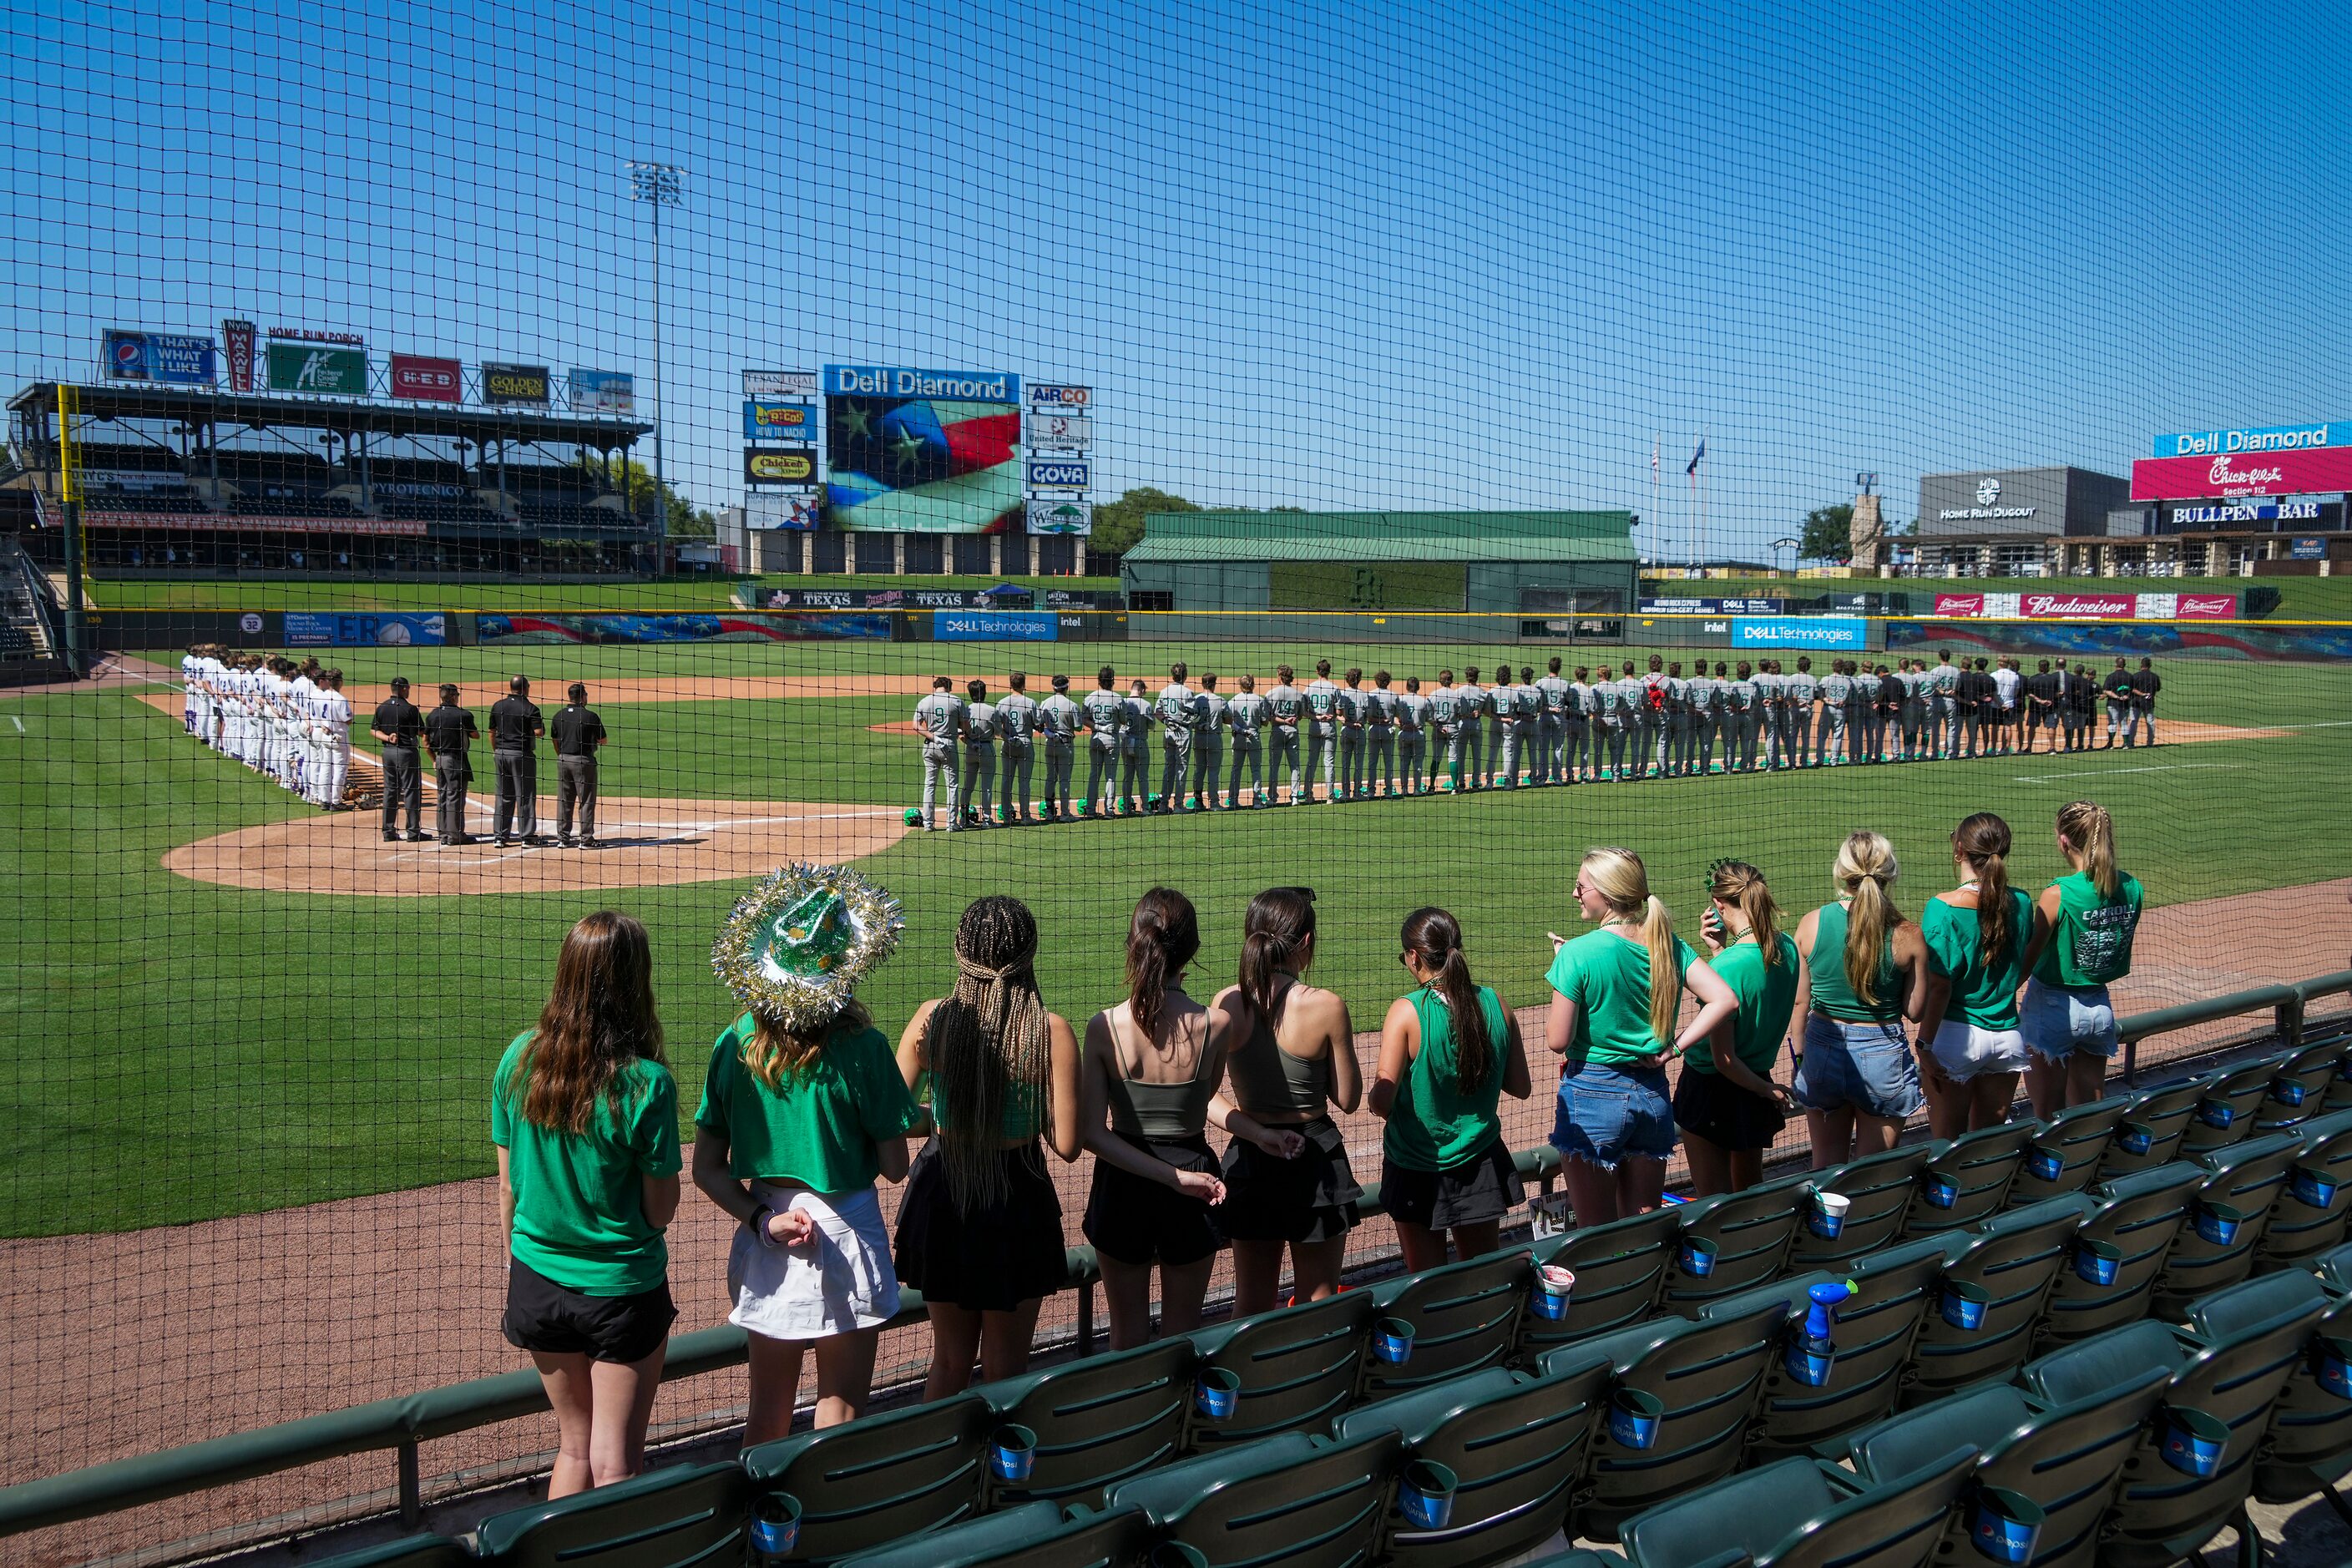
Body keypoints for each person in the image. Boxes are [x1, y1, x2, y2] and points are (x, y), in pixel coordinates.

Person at [695, 866, 917, 1439]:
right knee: (839, 1410)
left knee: (766, 1412)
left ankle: (767, 1526)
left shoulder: (734, 1039)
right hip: (848, 1229)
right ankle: (825, 1521)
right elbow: (896, 1169)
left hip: (768, 1229)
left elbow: (705, 1170)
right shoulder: (864, 1047)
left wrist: (762, 1221)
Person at [493, 911, 680, 1496]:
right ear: (635, 980)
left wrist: (524, 1264)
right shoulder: (646, 1082)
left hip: (536, 1283)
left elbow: (508, 1188)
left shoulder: (518, 1058)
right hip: (619, 1291)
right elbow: (659, 1212)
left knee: (574, 1449)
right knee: (616, 1464)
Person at [894, 897, 1083, 1396]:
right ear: (1030, 953)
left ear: (961, 952)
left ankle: (939, 1469)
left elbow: (893, 1116)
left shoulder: (932, 1018)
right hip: (1016, 1199)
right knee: (1006, 1370)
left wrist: (948, 1117)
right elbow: (1067, 1144)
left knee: (950, 1363)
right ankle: (1000, 1473)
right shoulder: (1051, 1029)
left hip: (944, 1189)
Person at [1084, 890, 1280, 1348]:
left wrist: (1163, 1175)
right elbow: (1203, 1099)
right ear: (1191, 950)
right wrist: (1176, 1176)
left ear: (1134, 943)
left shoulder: (1103, 1026)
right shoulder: (1215, 1025)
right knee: (1183, 1334)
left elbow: (1091, 1134)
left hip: (1122, 1184)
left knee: (1125, 1335)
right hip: (1196, 1180)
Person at [1543, 848, 1737, 1225]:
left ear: (1607, 892)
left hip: (1593, 1095)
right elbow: (1725, 1000)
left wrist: (1565, 967)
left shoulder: (1578, 954)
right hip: (1652, 1096)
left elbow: (1557, 1040)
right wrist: (1674, 1048)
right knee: (1643, 1226)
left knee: (1594, 1232)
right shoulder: (1668, 944)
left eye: (1581, 886)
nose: (1575, 893)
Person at [1211, 888, 1363, 1314]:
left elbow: (1207, 1100)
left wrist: (1257, 1133)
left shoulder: (1226, 1002)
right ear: (1307, 943)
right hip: (1315, 1162)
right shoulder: (1326, 1006)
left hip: (1249, 1159)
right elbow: (1348, 1099)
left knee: (1251, 1304)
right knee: (1318, 1303)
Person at [1373, 907, 1533, 1268]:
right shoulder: (1496, 1003)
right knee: (1482, 1279)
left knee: (1425, 1283)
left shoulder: (1406, 1011)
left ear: (1414, 957)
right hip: (1481, 1162)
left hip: (1415, 1165)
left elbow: (1382, 1102)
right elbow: (1521, 1087)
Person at [1791, 831, 1930, 1167]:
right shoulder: (1909, 935)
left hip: (1822, 1048)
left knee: (1825, 1167)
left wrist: (1800, 1059)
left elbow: (1799, 1005)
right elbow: (1915, 1011)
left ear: (1842, 872)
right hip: (1883, 1054)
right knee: (1873, 1175)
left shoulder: (1812, 923)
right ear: (1890, 873)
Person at [1677, 862, 1800, 1196]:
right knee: (1749, 1193)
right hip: (1753, 1082)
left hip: (1712, 1091)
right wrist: (1719, 949)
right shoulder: (1786, 947)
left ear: (1718, 905)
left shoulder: (1726, 967)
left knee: (1712, 1200)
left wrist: (1768, 1091)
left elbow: (1724, 1060)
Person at [1919, 812, 2040, 1138]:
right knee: (1986, 1146)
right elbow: (2023, 960)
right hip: (2008, 1039)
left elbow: (1940, 986)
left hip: (1956, 1040)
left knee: (1947, 1146)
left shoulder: (1942, 908)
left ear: (1960, 850)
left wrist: (1924, 1044)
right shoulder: (2022, 902)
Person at [2021, 801, 2144, 1116]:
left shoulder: (2058, 893)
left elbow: (2027, 960)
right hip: (2099, 1008)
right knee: (2090, 1115)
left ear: (2064, 841)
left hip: (2052, 1008)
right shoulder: (2131, 887)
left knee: (2048, 1116)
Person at [488, 675, 545, 847]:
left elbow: (492, 731)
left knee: (503, 796)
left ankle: (500, 836)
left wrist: (496, 751)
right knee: (525, 796)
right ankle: (527, 836)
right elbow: (539, 732)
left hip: (500, 754)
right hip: (521, 755)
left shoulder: (498, 706)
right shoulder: (530, 708)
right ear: (526, 688)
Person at [370, 678, 426, 843]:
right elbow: (421, 732)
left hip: (388, 753)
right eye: (407, 688)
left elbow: (373, 731)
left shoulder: (382, 707)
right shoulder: (409, 709)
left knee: (390, 791)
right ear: (403, 689)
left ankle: (388, 832)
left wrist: (388, 737)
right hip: (406, 753)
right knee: (411, 791)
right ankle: (413, 832)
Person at [551, 683, 607, 848]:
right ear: (583, 697)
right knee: (587, 801)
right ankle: (586, 839)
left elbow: (554, 740)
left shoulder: (558, 715)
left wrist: (562, 755)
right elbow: (603, 740)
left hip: (562, 760)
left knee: (564, 800)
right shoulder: (590, 716)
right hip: (583, 761)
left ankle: (563, 839)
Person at [913, 675, 969, 832]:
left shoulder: (925, 701)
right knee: (952, 786)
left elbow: (916, 725)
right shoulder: (956, 701)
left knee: (929, 784)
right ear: (949, 687)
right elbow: (965, 726)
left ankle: (928, 824)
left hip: (930, 744)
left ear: (935, 686)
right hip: (949, 744)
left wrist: (934, 737)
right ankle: (951, 824)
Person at [426, 683, 478, 846]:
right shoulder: (463, 715)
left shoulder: (432, 715)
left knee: (442, 796)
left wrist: (434, 759)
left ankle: (443, 833)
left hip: (440, 759)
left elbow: (426, 742)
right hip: (456, 760)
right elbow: (475, 735)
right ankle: (455, 836)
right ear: (454, 697)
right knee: (455, 797)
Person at [1037, 673, 1081, 821]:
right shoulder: (1071, 705)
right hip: (1065, 744)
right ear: (1067, 687)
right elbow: (1079, 727)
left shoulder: (1045, 703)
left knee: (1050, 778)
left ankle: (1049, 812)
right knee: (1064, 779)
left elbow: (1039, 723)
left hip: (1050, 744)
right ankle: (1065, 813)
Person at [996, 672, 1039, 825]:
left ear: (1010, 684)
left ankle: (1007, 816)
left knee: (1006, 781)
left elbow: (997, 728)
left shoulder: (1002, 703)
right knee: (1024, 782)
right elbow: (1038, 723)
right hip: (1025, 743)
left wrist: (1007, 737)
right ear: (1023, 685)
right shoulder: (1030, 702)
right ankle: (1026, 817)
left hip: (1008, 743)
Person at [1081, 666, 1124, 817]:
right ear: (1112, 681)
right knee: (1110, 776)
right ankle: (1109, 810)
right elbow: (1124, 719)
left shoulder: (1090, 698)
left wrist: (1098, 726)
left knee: (1094, 775)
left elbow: (1084, 720)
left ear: (1099, 680)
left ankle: (1091, 810)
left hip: (1096, 738)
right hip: (1112, 739)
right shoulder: (1118, 698)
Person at [1155, 664, 1198, 812]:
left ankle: (1163, 804)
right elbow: (1194, 714)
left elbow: (1158, 712)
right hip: (1183, 732)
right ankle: (1178, 805)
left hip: (1168, 731)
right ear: (1185, 676)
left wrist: (1168, 722)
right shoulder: (1187, 692)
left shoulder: (1164, 691)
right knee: (1182, 768)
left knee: (1169, 768)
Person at [1226, 673, 1267, 807]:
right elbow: (1265, 722)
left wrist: (1239, 729)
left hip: (1238, 736)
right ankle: (1257, 801)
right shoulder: (1259, 700)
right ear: (1253, 684)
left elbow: (1228, 721)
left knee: (1236, 769)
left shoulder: (1233, 701)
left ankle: (1232, 801)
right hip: (1254, 736)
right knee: (1256, 769)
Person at [1302, 660, 1342, 802]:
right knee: (1329, 762)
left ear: (1317, 671)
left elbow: (1304, 712)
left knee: (1311, 761)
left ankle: (1307, 795)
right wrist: (1331, 715)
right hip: (1329, 726)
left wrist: (1317, 716)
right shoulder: (1334, 688)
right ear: (1329, 671)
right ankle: (1330, 797)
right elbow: (1339, 711)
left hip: (1314, 725)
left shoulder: (1309, 688)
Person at [1265, 664, 1305, 805]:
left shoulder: (1271, 693)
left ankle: (1272, 798)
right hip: (1293, 731)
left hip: (1277, 731)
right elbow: (1300, 716)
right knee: (1294, 765)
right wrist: (1289, 720)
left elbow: (1269, 717)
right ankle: (1295, 796)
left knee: (1274, 765)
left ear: (1280, 677)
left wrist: (1282, 720)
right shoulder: (1298, 694)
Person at [314, 668, 353, 810]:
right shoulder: (341, 699)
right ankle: (336, 802)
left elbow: (316, 716)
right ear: (340, 682)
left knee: (325, 767)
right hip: (339, 737)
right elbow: (348, 720)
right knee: (340, 769)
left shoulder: (321, 696)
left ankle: (324, 800)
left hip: (325, 735)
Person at [962, 680, 999, 827]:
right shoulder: (992, 710)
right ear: (984, 692)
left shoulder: (965, 710)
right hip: (987, 749)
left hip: (970, 749)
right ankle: (987, 819)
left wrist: (972, 743)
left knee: (968, 785)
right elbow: (998, 732)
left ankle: (963, 819)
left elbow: (961, 734)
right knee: (987, 787)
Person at [1191, 673, 1227, 810]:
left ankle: (1198, 801)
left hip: (1198, 737)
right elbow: (1228, 719)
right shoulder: (1220, 700)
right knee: (1213, 771)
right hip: (1213, 737)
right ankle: (1214, 803)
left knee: (1199, 770)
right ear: (1214, 684)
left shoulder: (1195, 699)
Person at [1119, 677, 1154, 812]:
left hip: (1125, 741)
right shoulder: (1145, 704)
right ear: (1142, 690)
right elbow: (1151, 725)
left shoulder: (1123, 702)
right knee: (1143, 777)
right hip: (1140, 742)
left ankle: (1127, 808)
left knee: (1127, 777)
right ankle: (1145, 808)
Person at [1334, 668, 1368, 801]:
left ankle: (1346, 793)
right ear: (1359, 679)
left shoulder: (1342, 694)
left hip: (1346, 731)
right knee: (1359, 764)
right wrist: (1359, 722)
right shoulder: (1364, 695)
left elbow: (1338, 714)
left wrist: (1348, 723)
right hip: (1360, 731)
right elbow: (1368, 715)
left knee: (1345, 764)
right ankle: (1358, 793)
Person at [1364, 670, 1399, 797]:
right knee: (1388, 762)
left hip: (1374, 730)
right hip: (1388, 731)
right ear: (1388, 681)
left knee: (1372, 762)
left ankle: (1371, 791)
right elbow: (1398, 714)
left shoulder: (1371, 695)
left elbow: (1367, 716)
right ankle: (1389, 790)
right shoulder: (1393, 695)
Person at [1393, 675, 1429, 795]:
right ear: (1418, 687)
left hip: (1404, 733)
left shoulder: (1401, 700)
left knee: (1404, 762)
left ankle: (1404, 789)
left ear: (1407, 687)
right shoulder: (1423, 701)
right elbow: (1428, 718)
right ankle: (1417, 789)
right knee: (1418, 763)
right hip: (1418, 733)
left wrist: (1401, 724)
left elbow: (1394, 716)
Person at [2130, 657, 2162, 746]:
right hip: (2149, 702)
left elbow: (2131, 689)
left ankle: (2130, 742)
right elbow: (2158, 689)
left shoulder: (2135, 676)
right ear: (2150, 665)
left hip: (2136, 702)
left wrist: (2141, 694)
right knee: (2150, 722)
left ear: (2141, 665)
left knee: (2133, 722)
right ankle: (2150, 742)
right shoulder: (2155, 676)